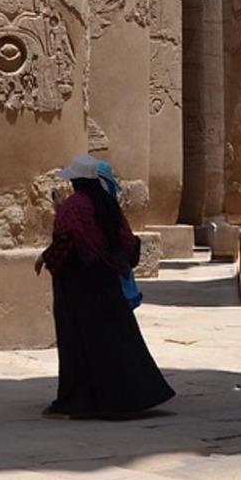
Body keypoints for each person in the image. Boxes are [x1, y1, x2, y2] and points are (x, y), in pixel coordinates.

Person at [35, 154, 175, 419]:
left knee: (80, 342)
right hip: (107, 283)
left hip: (78, 285)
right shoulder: (108, 206)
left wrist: (46, 258)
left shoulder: (74, 206)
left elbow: (67, 240)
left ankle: (78, 400)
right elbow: (129, 245)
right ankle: (136, 395)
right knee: (117, 339)